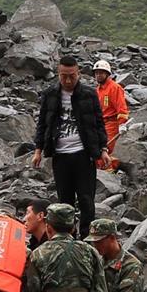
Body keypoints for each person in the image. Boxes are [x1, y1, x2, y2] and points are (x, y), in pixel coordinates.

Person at [31, 56, 111, 238]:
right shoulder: (50, 94)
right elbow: (42, 124)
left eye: (72, 76)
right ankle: (67, 238)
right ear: (58, 74)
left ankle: (87, 239)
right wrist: (38, 151)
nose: (68, 81)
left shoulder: (89, 94)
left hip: (84, 155)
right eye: (63, 76)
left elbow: (99, 123)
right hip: (60, 156)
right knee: (64, 202)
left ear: (78, 73)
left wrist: (103, 150)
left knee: (86, 200)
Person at [93, 60, 129, 172]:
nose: (98, 75)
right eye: (97, 73)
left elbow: (121, 108)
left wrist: (122, 124)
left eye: (101, 73)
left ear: (107, 74)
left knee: (104, 150)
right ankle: (115, 167)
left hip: (111, 123)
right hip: (100, 124)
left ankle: (109, 176)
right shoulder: (98, 90)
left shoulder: (114, 88)